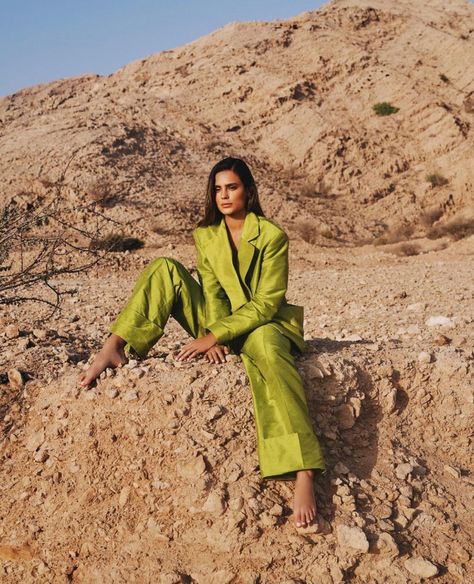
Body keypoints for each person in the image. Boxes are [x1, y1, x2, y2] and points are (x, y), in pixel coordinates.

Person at [79, 156, 326, 528]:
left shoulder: (272, 236)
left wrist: (215, 335)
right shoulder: (206, 235)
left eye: (232, 187)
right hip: (220, 322)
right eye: (218, 189)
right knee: (164, 268)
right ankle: (114, 344)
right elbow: (212, 292)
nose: (224, 195)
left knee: (273, 358)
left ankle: (304, 471)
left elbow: (266, 302)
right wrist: (210, 335)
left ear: (249, 190)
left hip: (264, 324)